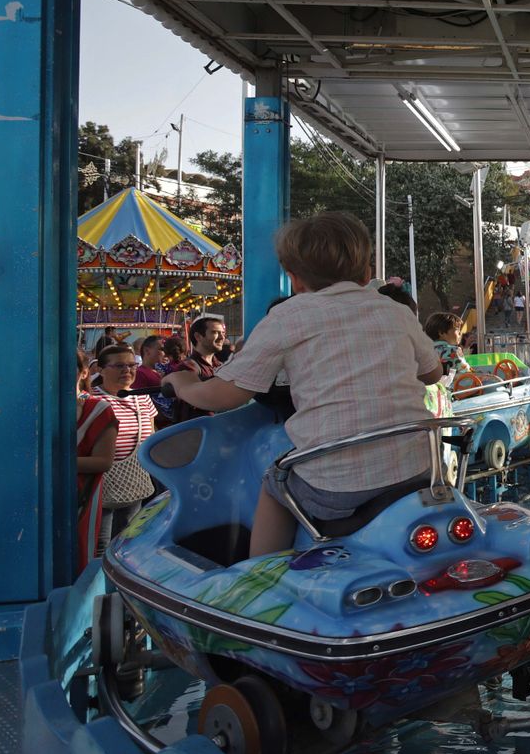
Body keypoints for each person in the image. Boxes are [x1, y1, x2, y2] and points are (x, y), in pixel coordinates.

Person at [165, 212, 444, 557]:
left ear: (294, 280)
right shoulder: (396, 311)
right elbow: (433, 374)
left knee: (274, 482)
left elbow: (224, 395)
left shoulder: (287, 316)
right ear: (368, 272)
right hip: (419, 470)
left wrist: (183, 384)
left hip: (338, 486)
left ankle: (260, 578)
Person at [90, 343, 163, 547]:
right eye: (119, 366)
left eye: (131, 365)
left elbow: (150, 435)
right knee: (100, 543)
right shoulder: (91, 400)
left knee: (126, 540)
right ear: (101, 369)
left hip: (133, 480)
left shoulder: (142, 398)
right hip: (99, 484)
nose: (127, 371)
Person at [75, 348, 118, 569]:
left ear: (84, 373)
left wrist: (50, 463)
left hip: (81, 497)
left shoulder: (97, 409)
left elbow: (103, 461)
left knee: (79, 557)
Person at [171, 316, 228, 423]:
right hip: (197, 432)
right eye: (215, 332)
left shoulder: (221, 365)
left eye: (223, 333)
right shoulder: (188, 367)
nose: (222, 337)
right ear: (198, 336)